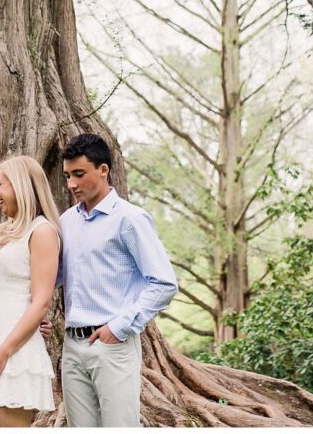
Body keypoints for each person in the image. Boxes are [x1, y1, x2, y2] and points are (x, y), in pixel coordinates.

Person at [58, 133, 178, 427]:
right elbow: (54, 278)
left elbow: (164, 283)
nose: (72, 184)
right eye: (68, 175)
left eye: (79, 174)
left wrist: (119, 326)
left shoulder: (130, 219)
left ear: (103, 170)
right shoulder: (66, 221)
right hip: (72, 345)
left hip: (112, 344)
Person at [0, 156, 62, 427]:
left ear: (20, 186)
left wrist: (3, 352)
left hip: (12, 352)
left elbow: (41, 302)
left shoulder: (41, 232)